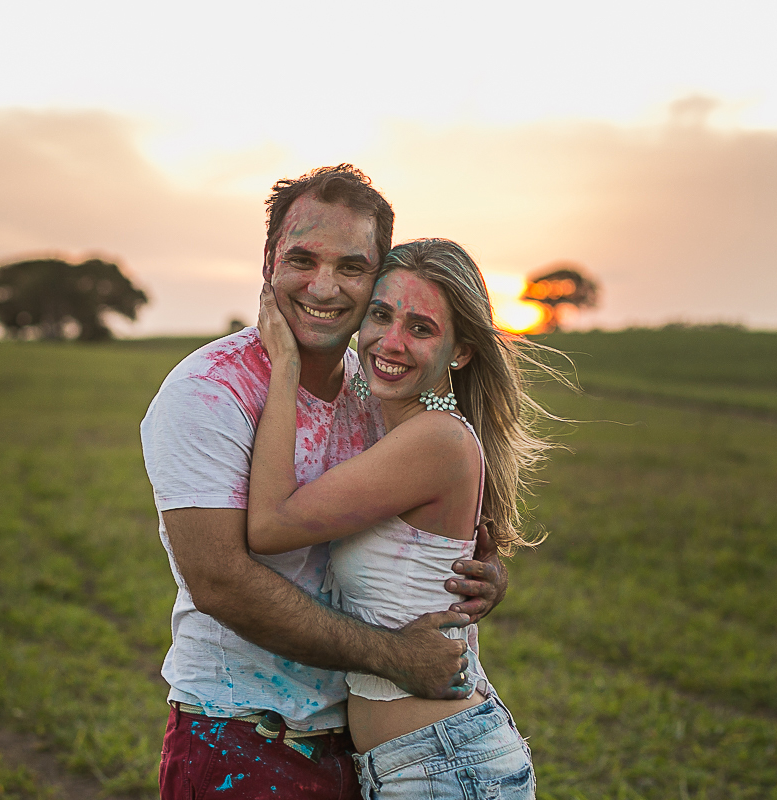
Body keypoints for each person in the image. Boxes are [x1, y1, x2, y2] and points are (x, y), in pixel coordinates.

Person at [140, 166, 508, 800]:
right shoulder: (209, 392)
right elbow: (221, 580)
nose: (324, 286)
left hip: (364, 749)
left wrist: (477, 571)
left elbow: (423, 527)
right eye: (303, 259)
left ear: (375, 277)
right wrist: (393, 655)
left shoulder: (380, 390)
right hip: (247, 735)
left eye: (352, 267)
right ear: (268, 261)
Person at [248, 238, 550, 799]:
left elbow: (269, 525)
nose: (391, 342)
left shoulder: (435, 440)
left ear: (459, 352)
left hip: (443, 764)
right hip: (418, 760)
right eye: (381, 316)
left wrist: (285, 364)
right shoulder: (391, 428)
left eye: (421, 328)